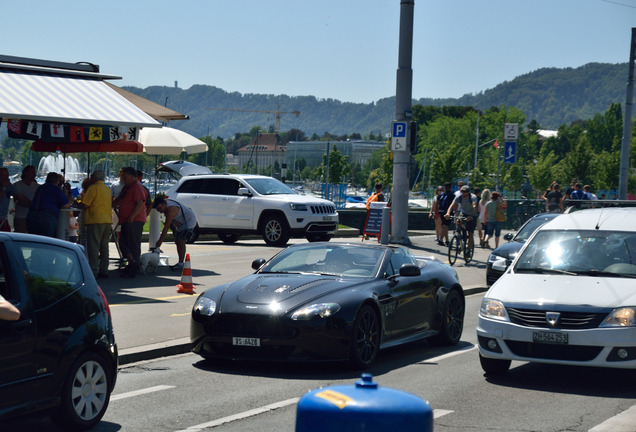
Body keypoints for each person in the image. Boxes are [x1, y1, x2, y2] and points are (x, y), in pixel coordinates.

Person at [114, 167, 147, 278]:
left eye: (125, 176)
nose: (123, 178)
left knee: (132, 243)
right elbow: (119, 199)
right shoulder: (128, 187)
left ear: (132, 176)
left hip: (134, 220)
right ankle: (132, 262)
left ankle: (134, 265)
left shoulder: (137, 186)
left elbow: (139, 203)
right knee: (123, 242)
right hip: (127, 219)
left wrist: (132, 216)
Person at [152, 196, 198, 272]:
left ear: (164, 203)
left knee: (181, 241)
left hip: (188, 221)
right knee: (177, 241)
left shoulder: (171, 209)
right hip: (180, 222)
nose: (160, 211)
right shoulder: (165, 205)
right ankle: (180, 262)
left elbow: (166, 227)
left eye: (160, 209)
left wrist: (160, 241)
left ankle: (181, 264)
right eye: (158, 210)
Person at [80, 170, 112, 279]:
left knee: (93, 247)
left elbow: (85, 204)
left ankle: (93, 272)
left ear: (94, 177)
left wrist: (79, 200)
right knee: (104, 247)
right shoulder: (107, 189)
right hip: (107, 220)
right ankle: (104, 270)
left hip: (95, 219)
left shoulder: (92, 188)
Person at [27, 172, 70, 237]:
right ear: (57, 181)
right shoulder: (56, 189)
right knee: (47, 242)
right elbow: (66, 205)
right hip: (47, 217)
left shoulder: (40, 188)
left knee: (34, 241)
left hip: (32, 216)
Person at [445, 184, 478, 250]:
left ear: (468, 192)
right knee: (458, 220)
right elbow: (452, 205)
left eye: (465, 192)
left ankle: (468, 250)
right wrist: (448, 213)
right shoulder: (459, 197)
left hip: (472, 214)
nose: (463, 193)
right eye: (462, 191)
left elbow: (474, 206)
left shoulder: (472, 197)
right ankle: (460, 236)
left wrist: (471, 216)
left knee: (470, 233)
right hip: (463, 213)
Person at [12, 165, 39, 233]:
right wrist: (32, 205)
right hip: (20, 217)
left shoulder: (37, 186)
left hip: (34, 218)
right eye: (32, 172)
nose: (35, 174)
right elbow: (17, 201)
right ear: (26, 173)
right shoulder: (16, 185)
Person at [0, 167, 19, 232]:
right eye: (4, 175)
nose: (6, 178)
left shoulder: (9, 186)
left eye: (7, 175)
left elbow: (18, 195)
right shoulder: (5, 186)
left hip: (4, 219)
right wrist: (4, 188)